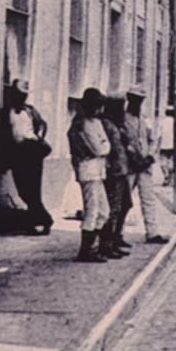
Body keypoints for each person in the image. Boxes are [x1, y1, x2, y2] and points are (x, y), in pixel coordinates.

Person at [0, 79, 54, 235]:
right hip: (18, 152)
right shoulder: (6, 111)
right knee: (23, 189)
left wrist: (38, 138)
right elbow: (3, 135)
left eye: (24, 95)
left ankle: (39, 221)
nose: (21, 98)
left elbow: (42, 124)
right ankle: (42, 219)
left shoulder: (30, 110)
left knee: (32, 189)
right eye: (18, 94)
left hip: (31, 150)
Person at [69, 88, 112, 263]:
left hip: (99, 170)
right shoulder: (83, 123)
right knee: (92, 210)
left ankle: (92, 246)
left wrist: (103, 146)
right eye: (96, 105)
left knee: (104, 212)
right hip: (88, 170)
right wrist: (103, 145)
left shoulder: (96, 122)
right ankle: (85, 250)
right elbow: (100, 148)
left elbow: (104, 146)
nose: (99, 108)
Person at [123, 86, 166, 244]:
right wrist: (134, 158)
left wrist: (150, 157)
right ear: (129, 98)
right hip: (130, 165)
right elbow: (124, 142)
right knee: (124, 201)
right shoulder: (123, 119)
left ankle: (152, 232)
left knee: (148, 199)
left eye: (140, 100)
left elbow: (153, 140)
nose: (137, 102)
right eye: (134, 99)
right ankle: (118, 234)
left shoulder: (144, 119)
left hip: (145, 165)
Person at [101, 94, 133, 257]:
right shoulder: (106, 124)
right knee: (112, 209)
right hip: (112, 172)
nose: (123, 110)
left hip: (122, 170)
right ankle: (107, 244)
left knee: (125, 204)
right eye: (120, 107)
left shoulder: (117, 124)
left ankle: (116, 238)